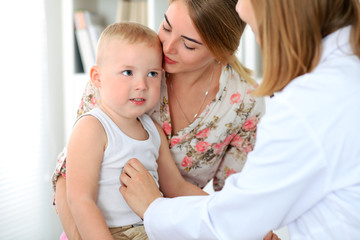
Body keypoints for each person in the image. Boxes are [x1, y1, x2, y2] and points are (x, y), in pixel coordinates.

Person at [119, 0, 360, 239]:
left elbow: (234, 219)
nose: (240, 8)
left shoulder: (303, 105)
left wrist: (153, 206)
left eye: (190, 45)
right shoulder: (339, 82)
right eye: (167, 26)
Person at [52, 0, 279, 239]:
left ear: (220, 51)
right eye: (167, 26)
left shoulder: (244, 102)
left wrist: (249, 228)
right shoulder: (129, 60)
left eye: (189, 45)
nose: (167, 48)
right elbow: (71, 181)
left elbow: (218, 198)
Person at [60, 22, 207, 240]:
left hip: (150, 227)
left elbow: (176, 187)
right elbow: (80, 199)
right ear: (97, 78)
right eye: (128, 72)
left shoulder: (153, 131)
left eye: (152, 74)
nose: (141, 85)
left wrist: (227, 210)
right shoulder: (93, 127)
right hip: (108, 232)